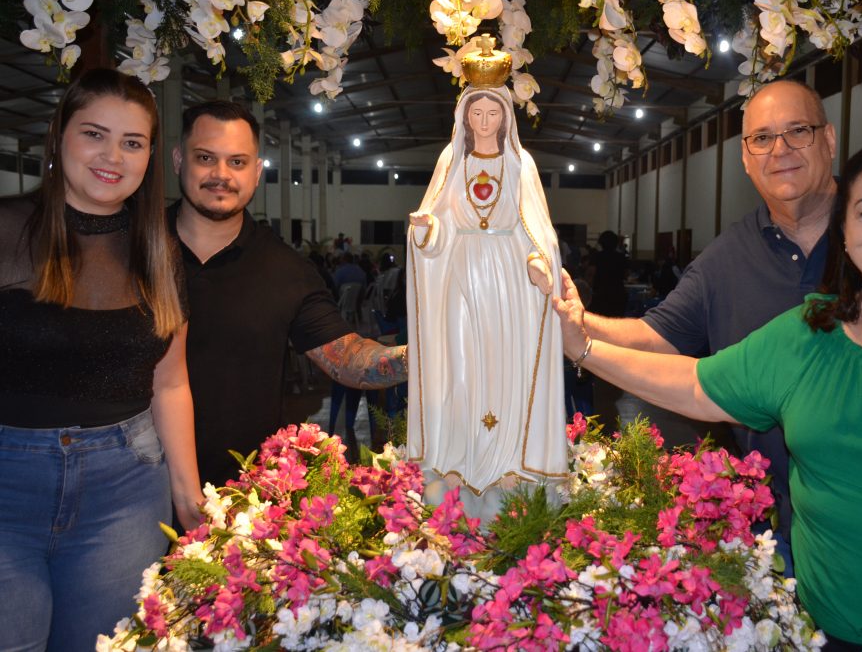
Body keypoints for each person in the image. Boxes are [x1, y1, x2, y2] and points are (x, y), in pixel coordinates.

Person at [556, 136, 862, 650]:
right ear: (844, 232)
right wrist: (585, 347)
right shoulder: (806, 336)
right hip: (829, 634)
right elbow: (695, 383)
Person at [0, 69, 203, 651]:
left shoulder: (158, 246)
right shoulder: (7, 228)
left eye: (132, 142)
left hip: (125, 490)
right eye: (94, 134)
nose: (112, 155)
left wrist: (188, 497)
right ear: (60, 135)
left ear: (149, 158)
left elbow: (169, 381)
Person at [170, 101, 406, 487]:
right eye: (205, 158)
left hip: (242, 489)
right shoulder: (136, 248)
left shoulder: (285, 269)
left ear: (257, 172)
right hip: (132, 486)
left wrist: (428, 355)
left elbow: (348, 359)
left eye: (237, 162)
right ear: (179, 159)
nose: (220, 174)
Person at [406, 39, 567, 519]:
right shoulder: (450, 163)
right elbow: (437, 223)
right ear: (463, 117)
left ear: (504, 117)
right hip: (460, 274)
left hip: (507, 279)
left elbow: (536, 227)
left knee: (505, 366)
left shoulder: (521, 165)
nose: (483, 122)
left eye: (491, 114)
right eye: (475, 113)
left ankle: (507, 462)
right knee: (459, 364)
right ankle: (458, 457)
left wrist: (539, 261)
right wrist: (426, 231)